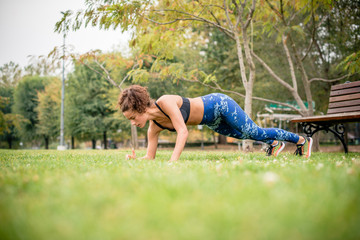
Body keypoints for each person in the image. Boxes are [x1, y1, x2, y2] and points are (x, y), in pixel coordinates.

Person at [119, 85, 313, 162]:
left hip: (219, 105)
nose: (133, 123)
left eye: (133, 117)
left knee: (254, 131)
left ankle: (301, 141)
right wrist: (137, 159)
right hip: (211, 121)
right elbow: (150, 157)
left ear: (141, 107)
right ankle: (273, 144)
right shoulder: (154, 128)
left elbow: (183, 131)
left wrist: (173, 161)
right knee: (247, 135)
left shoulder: (165, 102)